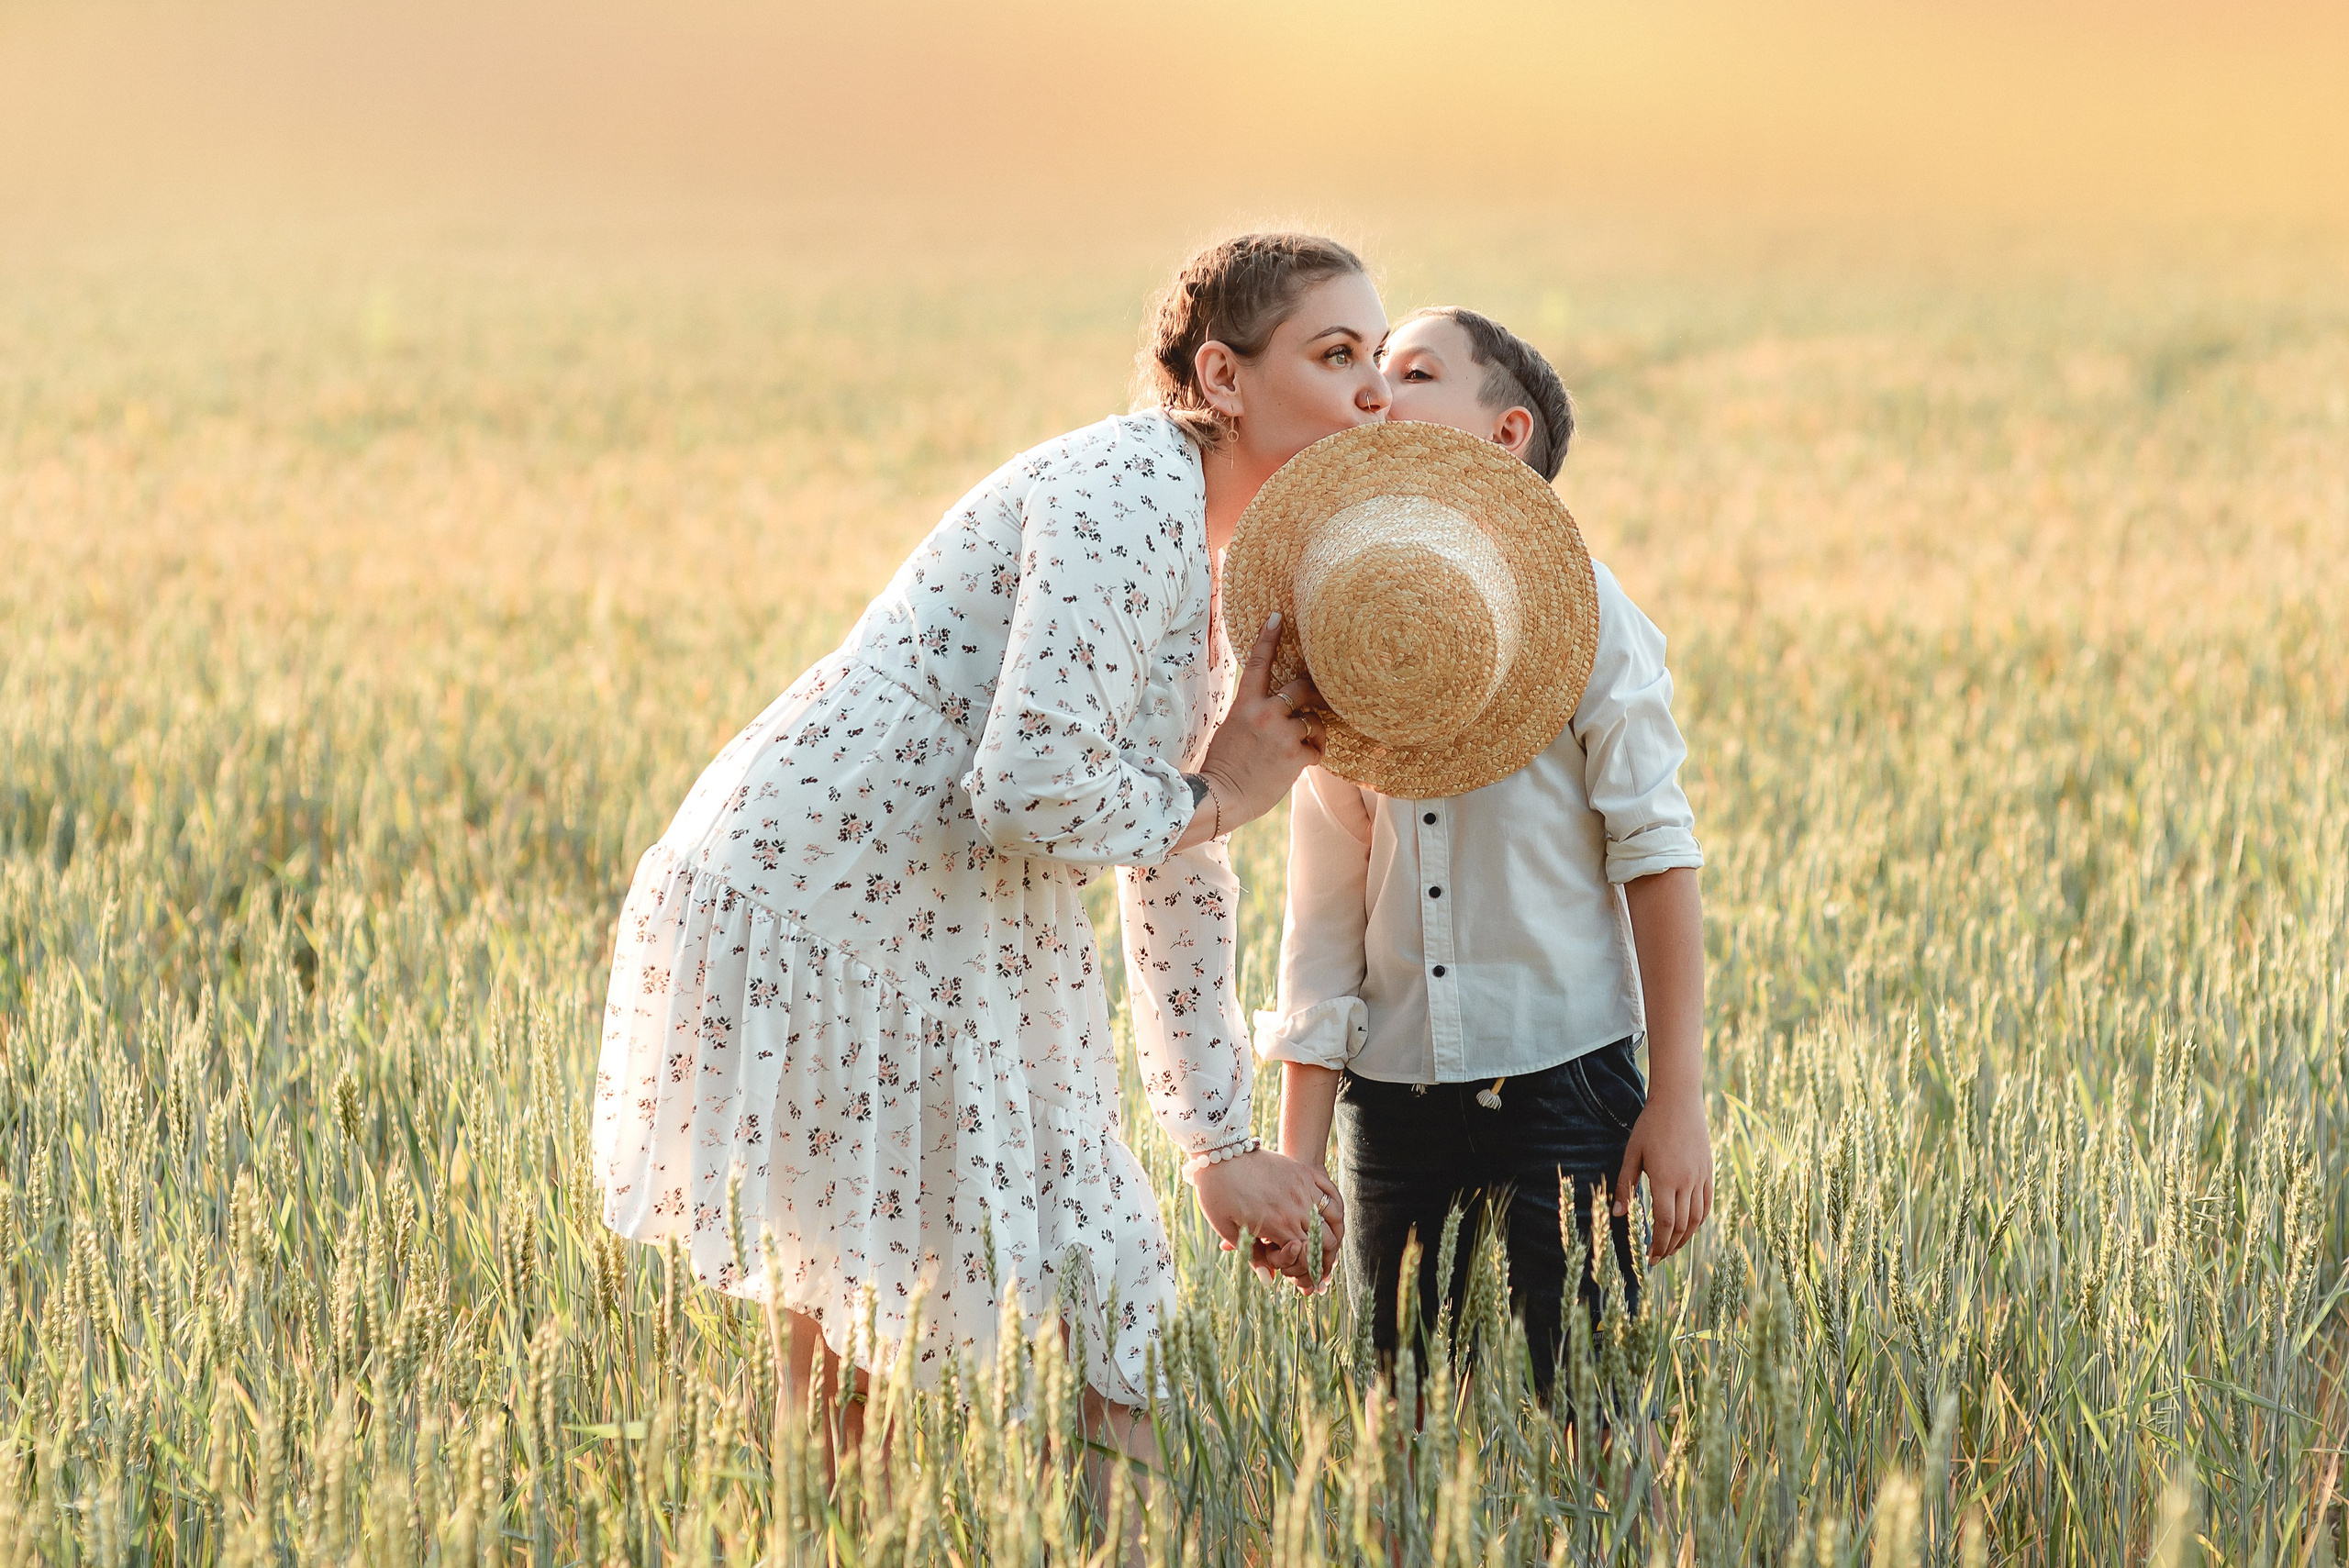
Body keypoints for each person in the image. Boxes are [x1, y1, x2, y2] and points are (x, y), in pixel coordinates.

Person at [591, 234, 1388, 1457]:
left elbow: (1179, 865)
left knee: (1036, 1287)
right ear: (1223, 380)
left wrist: (1217, 1143)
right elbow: (1038, 783)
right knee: (867, 1331)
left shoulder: (1204, 568)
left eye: (1381, 359)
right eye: (1338, 353)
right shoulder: (1130, 494)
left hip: (943, 910)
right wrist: (1214, 794)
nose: (1373, 390)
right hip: (835, 905)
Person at [1254, 306, 1712, 1399]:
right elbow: (1319, 917)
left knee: (1589, 1400)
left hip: (1567, 1072)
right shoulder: (1339, 626)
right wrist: (1298, 1161)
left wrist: (1677, 1097)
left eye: (1412, 370)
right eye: (1366, 367)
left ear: (1505, 434)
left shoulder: (1588, 614)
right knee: (1396, 1418)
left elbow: (1657, 853)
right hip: (1393, 1095)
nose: (1378, 389)